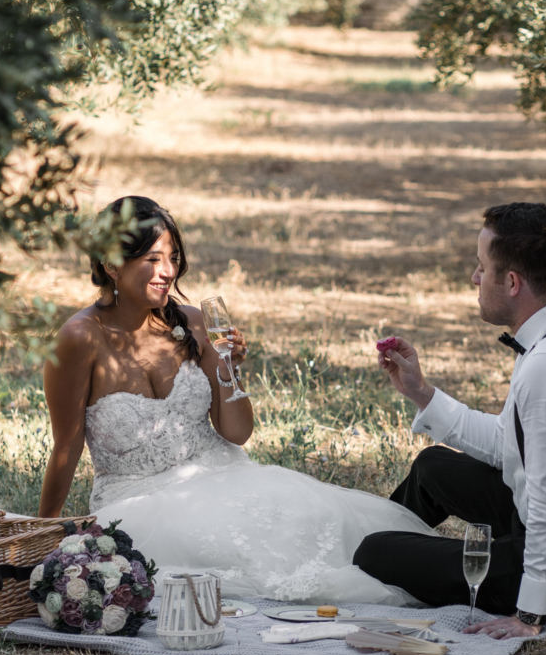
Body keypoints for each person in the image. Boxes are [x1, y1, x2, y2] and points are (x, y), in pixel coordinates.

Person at [38, 195, 437, 605]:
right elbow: (65, 447)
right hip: (138, 499)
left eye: (173, 258)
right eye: (153, 259)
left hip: (224, 474)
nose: (168, 272)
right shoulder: (78, 339)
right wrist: (39, 537)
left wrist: (229, 368)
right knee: (217, 549)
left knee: (314, 518)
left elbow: (237, 432)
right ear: (111, 263)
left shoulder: (197, 322)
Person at [353, 202, 546, 638]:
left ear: (512, 282)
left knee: (374, 553)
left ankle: (375, 550)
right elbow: (510, 447)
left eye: (481, 268)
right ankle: (381, 535)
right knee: (432, 468)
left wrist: (531, 615)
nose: (474, 278)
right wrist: (421, 393)